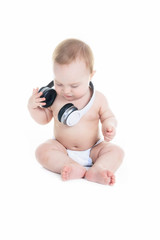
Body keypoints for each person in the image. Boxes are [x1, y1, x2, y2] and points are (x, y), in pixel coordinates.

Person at [28, 39, 124, 185]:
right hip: (62, 149)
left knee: (117, 151)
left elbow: (108, 116)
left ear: (91, 76)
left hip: (93, 149)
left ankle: (98, 169)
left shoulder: (98, 99)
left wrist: (109, 126)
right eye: (59, 83)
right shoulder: (55, 98)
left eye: (74, 85)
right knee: (41, 151)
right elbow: (43, 119)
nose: (66, 91)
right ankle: (69, 165)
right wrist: (33, 107)